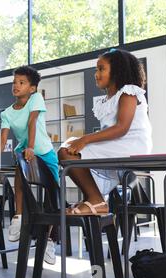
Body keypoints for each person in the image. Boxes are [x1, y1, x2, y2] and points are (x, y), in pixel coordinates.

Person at [58, 48, 152, 215]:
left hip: (131, 145)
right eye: (96, 69)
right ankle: (94, 199)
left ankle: (96, 200)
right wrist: (82, 141)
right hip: (118, 144)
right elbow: (110, 131)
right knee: (69, 147)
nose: (96, 73)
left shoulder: (128, 92)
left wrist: (85, 140)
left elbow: (122, 128)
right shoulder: (107, 100)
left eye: (101, 69)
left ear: (117, 71)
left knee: (67, 151)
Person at [0, 66, 58, 264]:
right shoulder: (7, 113)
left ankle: (49, 241)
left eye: (21, 82)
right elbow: (3, 137)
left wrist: (32, 147)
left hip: (44, 152)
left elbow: (32, 122)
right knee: (19, 169)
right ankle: (17, 218)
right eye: (14, 82)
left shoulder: (36, 99)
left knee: (54, 197)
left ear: (32, 88)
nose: (16, 86)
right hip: (25, 151)